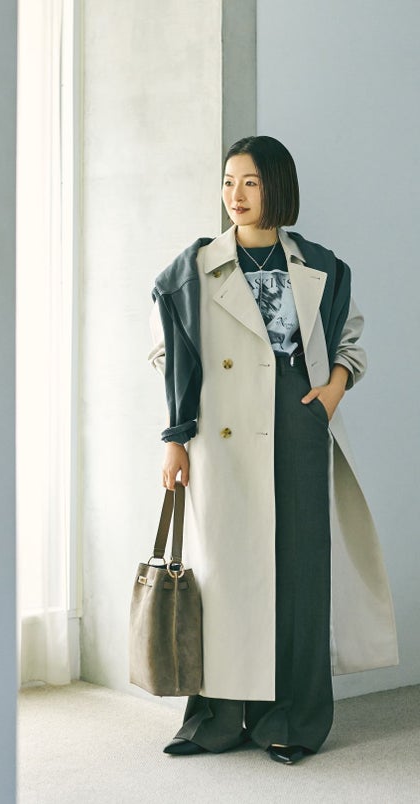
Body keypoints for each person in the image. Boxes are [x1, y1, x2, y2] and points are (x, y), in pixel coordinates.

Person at [147, 135, 398, 765]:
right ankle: (217, 719)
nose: (235, 195)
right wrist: (177, 437)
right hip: (221, 435)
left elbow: (350, 342)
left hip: (298, 426)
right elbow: (165, 352)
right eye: (228, 181)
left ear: (277, 187)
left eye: (250, 182)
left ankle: (291, 721)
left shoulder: (321, 266)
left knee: (298, 576)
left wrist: (332, 391)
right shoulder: (193, 269)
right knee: (223, 578)